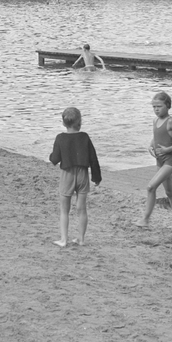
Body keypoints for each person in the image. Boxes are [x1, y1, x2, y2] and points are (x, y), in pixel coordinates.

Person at [48, 106, 102, 248]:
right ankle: (81, 239)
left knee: (64, 209)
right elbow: (93, 158)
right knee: (81, 208)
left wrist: (50, 157)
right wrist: (96, 178)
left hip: (68, 173)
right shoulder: (84, 137)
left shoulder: (60, 138)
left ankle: (64, 239)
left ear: (64, 122)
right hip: (83, 173)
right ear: (80, 122)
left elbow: (55, 159)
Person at [137, 91, 172, 230]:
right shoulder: (155, 120)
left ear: (168, 105)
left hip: (170, 161)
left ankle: (145, 220)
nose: (156, 109)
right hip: (159, 161)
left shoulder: (170, 121)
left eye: (159, 106)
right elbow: (156, 136)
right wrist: (150, 145)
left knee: (151, 187)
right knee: (170, 193)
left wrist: (167, 149)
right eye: (154, 107)